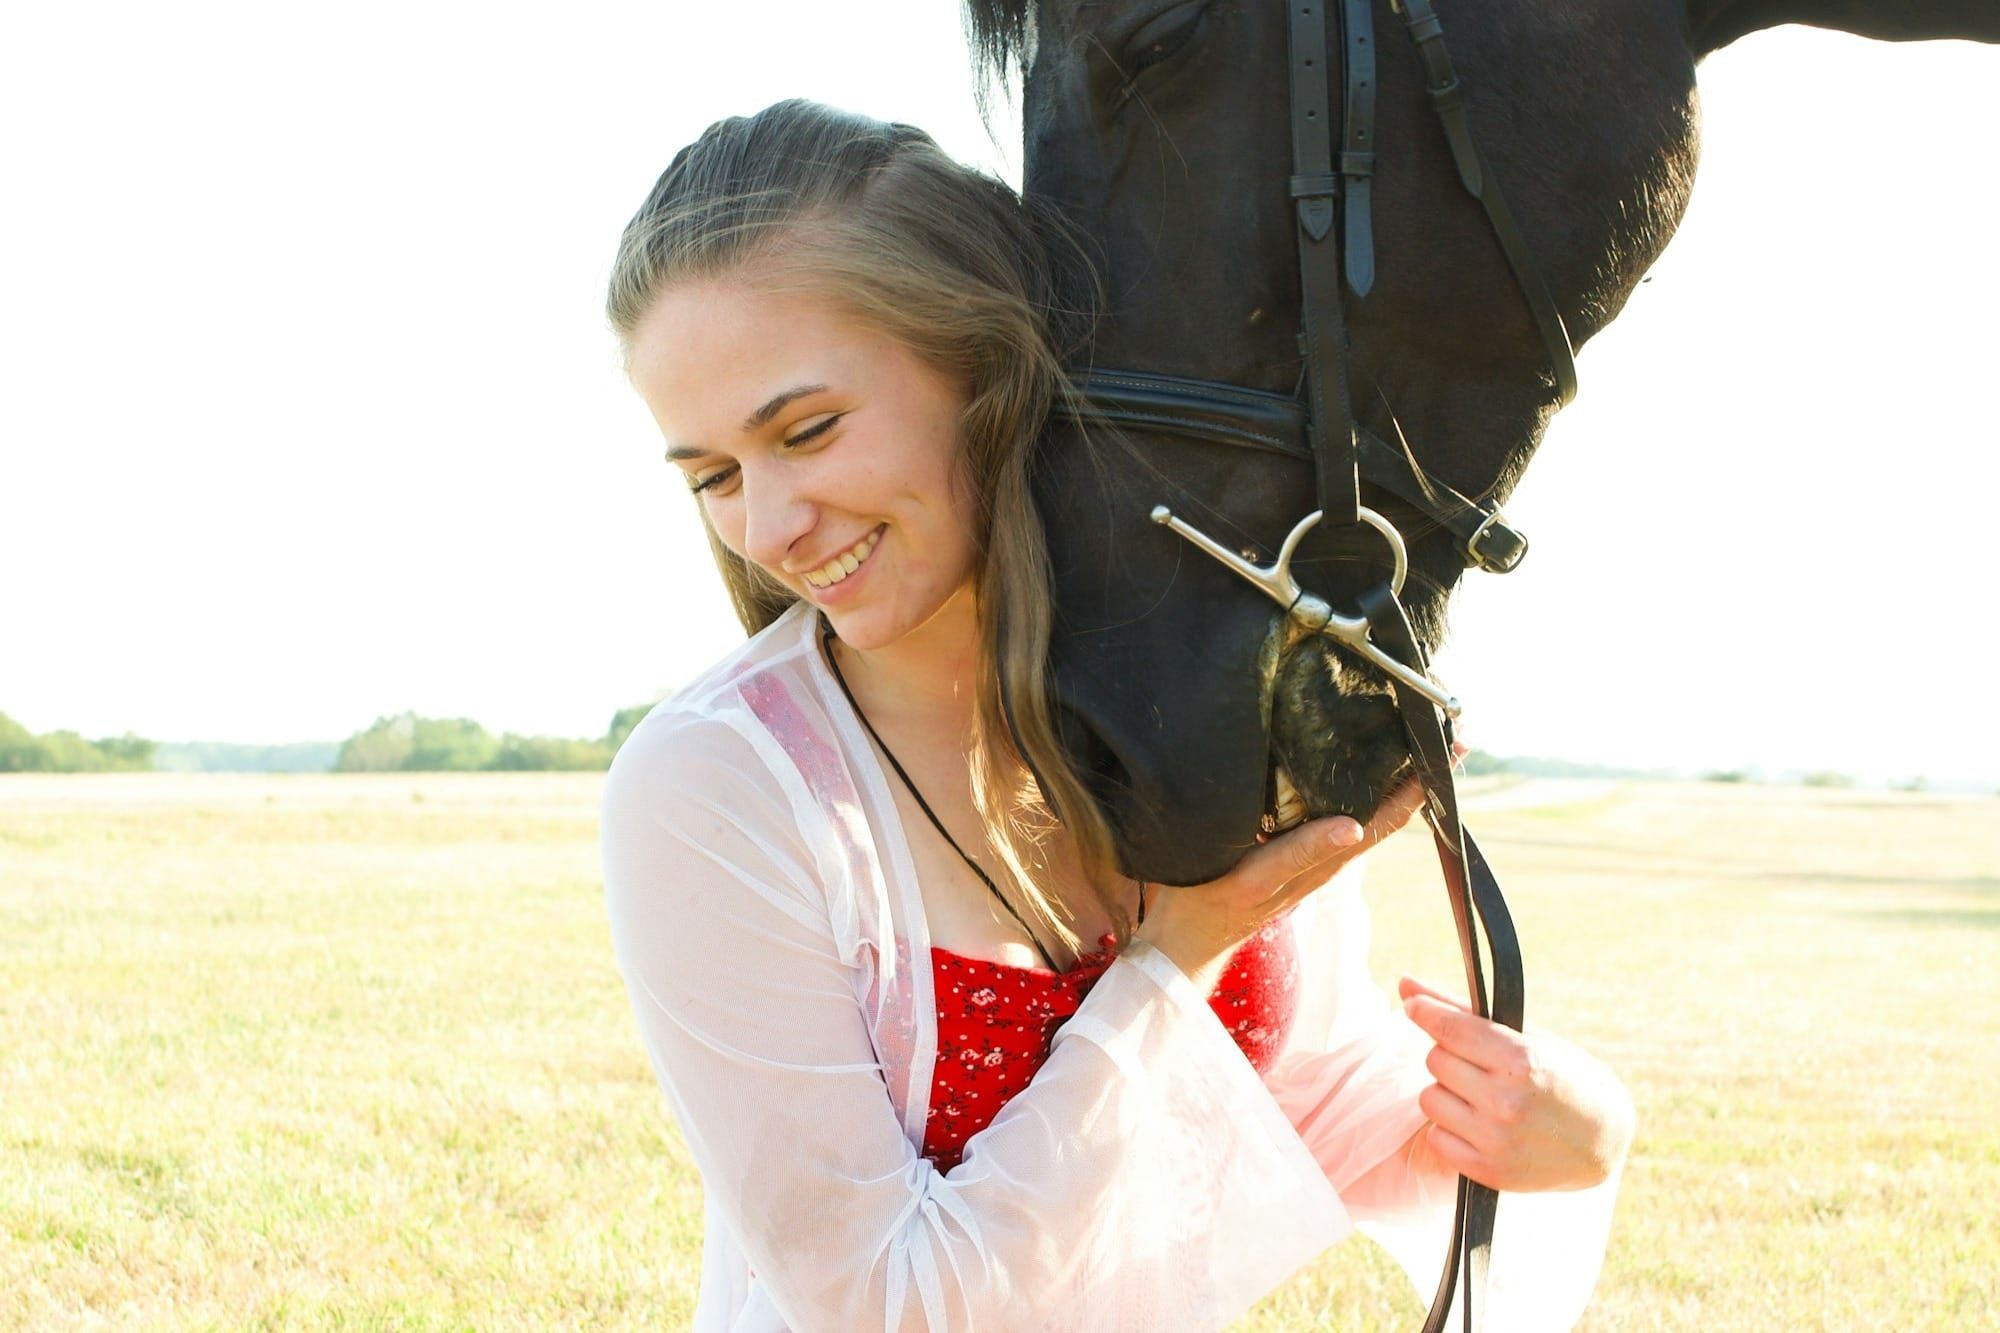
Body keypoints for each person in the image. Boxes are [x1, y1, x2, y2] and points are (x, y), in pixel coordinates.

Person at [600, 99, 1633, 1331]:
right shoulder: (718, 785)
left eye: (806, 431)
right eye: (714, 476)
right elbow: (884, 1303)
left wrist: (1552, 1121)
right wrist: (1176, 955)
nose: (768, 528)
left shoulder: (1196, 698)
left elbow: (1293, 1100)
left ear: (986, 367)